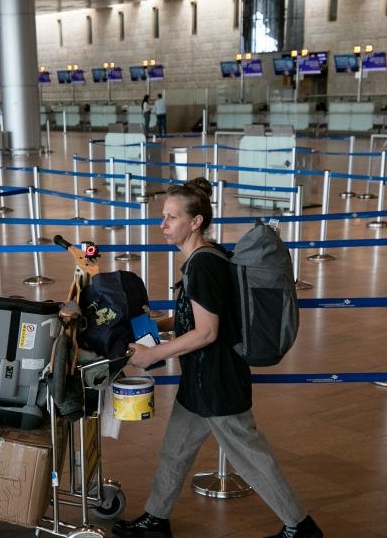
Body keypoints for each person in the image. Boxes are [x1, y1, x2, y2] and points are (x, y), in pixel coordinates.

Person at [113, 178, 322, 538]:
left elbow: (207, 331)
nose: (162, 225)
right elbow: (201, 317)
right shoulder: (206, 255)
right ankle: (156, 520)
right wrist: (154, 324)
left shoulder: (203, 265)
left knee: (251, 458)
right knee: (174, 452)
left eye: (171, 217)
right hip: (200, 381)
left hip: (217, 382)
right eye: (163, 216)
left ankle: (301, 527)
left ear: (195, 222)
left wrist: (153, 354)